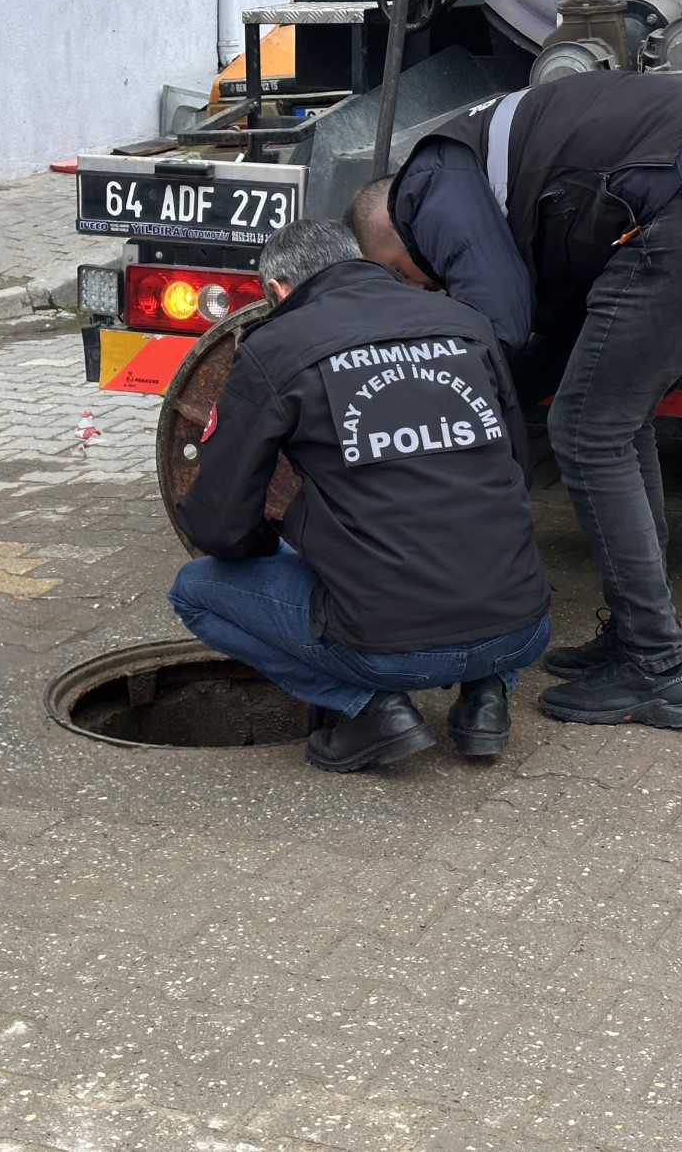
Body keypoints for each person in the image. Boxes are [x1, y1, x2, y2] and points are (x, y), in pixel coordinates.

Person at [346, 70, 682, 729]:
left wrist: (425, 406)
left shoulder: (427, 184)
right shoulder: (505, 194)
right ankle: (635, 635)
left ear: (391, 226)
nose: (421, 289)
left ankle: (659, 669)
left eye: (402, 275)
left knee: (588, 429)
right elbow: (549, 345)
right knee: (613, 420)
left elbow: (502, 321)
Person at [167, 219, 551, 773]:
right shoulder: (466, 322)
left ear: (277, 289)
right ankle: (485, 700)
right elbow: (518, 467)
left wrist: (280, 546)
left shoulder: (276, 347)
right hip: (523, 630)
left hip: (389, 651)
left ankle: (373, 710)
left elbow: (219, 528)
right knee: (473, 540)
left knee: (194, 591)